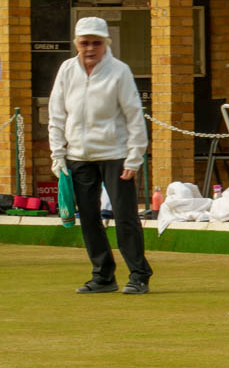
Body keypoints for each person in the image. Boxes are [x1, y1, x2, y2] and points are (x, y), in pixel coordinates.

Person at [48, 17, 152, 294]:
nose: (90, 48)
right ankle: (103, 275)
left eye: (96, 43)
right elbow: (56, 114)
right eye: (85, 43)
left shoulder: (119, 71)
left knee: (125, 215)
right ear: (76, 44)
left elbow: (133, 116)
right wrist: (58, 154)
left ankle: (139, 274)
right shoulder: (67, 70)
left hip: (115, 154)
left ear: (106, 43)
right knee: (89, 217)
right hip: (79, 155)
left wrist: (134, 157)